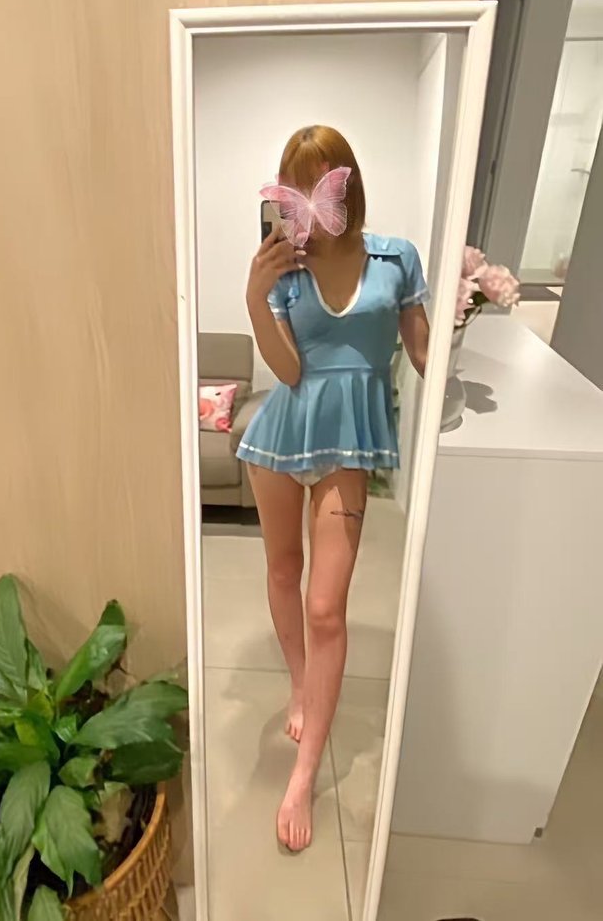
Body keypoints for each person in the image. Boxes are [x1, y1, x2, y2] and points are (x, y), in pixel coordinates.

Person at [237, 125, 430, 852]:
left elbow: (423, 351)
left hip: (349, 447)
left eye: (324, 179)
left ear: (347, 181)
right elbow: (289, 372)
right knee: (282, 571)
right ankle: (300, 684)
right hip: (280, 440)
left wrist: (468, 313)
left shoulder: (396, 258)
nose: (312, 199)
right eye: (297, 184)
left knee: (326, 608)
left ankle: (304, 771)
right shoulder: (285, 270)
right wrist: (255, 295)